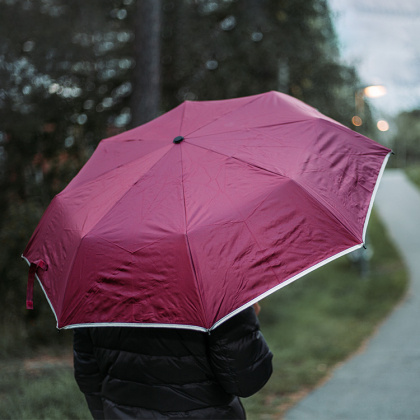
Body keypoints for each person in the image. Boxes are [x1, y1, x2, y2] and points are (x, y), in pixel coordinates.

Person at [73, 304, 273, 419]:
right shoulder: (219, 291)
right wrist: (246, 320)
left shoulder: (93, 293)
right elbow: (248, 380)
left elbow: (88, 376)